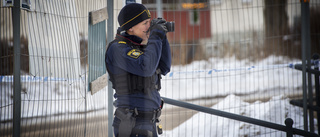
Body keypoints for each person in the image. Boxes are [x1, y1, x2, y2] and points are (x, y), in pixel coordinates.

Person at [105, 3, 171, 137]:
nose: (149, 27)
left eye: (150, 22)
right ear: (130, 27)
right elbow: (146, 68)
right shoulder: (118, 49)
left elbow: (164, 67)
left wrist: (161, 37)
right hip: (133, 123)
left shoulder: (140, 48)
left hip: (148, 121)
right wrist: (155, 37)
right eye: (145, 23)